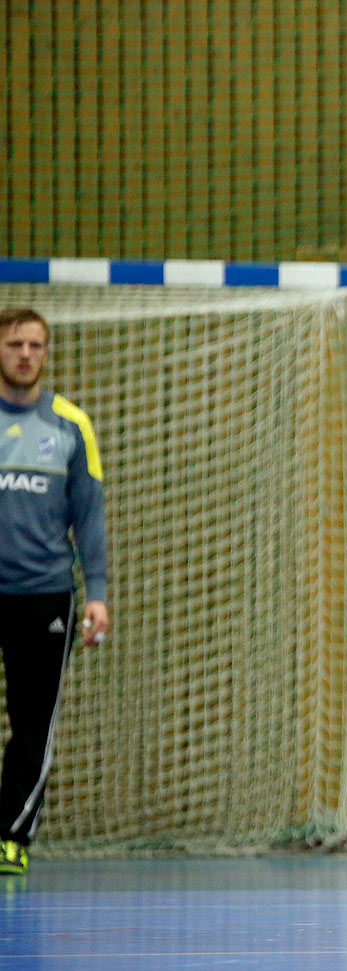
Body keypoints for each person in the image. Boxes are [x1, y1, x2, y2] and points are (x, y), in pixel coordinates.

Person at [0, 308, 110, 877]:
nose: (25, 354)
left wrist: (98, 592)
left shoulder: (70, 425)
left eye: (35, 345)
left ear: (46, 353)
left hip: (45, 596)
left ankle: (11, 838)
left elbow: (89, 516)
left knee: (32, 722)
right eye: (15, 343)